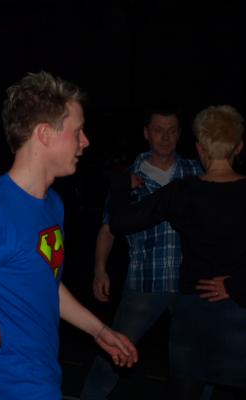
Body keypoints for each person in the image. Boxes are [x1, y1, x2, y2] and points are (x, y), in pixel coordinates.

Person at [0, 71, 138, 400]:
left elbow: (46, 282)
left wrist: (98, 330)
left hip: (44, 374)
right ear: (44, 134)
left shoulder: (52, 204)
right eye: (77, 132)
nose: (85, 142)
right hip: (8, 387)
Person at [108, 104, 246, 399]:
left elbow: (120, 222)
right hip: (239, 309)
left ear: (200, 148)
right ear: (239, 147)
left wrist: (121, 186)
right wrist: (236, 285)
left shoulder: (183, 192)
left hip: (195, 311)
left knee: (186, 390)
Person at [81, 107, 203, 400]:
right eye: (158, 130)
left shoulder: (196, 171)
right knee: (114, 351)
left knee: (198, 361)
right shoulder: (127, 178)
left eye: (172, 130)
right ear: (146, 133)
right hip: (145, 281)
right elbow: (108, 228)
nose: (165, 137)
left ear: (180, 134)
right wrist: (100, 269)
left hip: (190, 284)